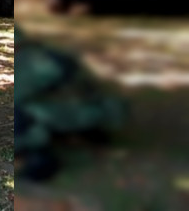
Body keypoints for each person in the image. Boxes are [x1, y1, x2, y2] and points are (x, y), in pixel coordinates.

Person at [14, 25, 127, 180]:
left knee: (19, 113)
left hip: (84, 113)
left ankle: (39, 159)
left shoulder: (30, 61)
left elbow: (19, 96)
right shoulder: (45, 53)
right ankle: (90, 133)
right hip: (96, 109)